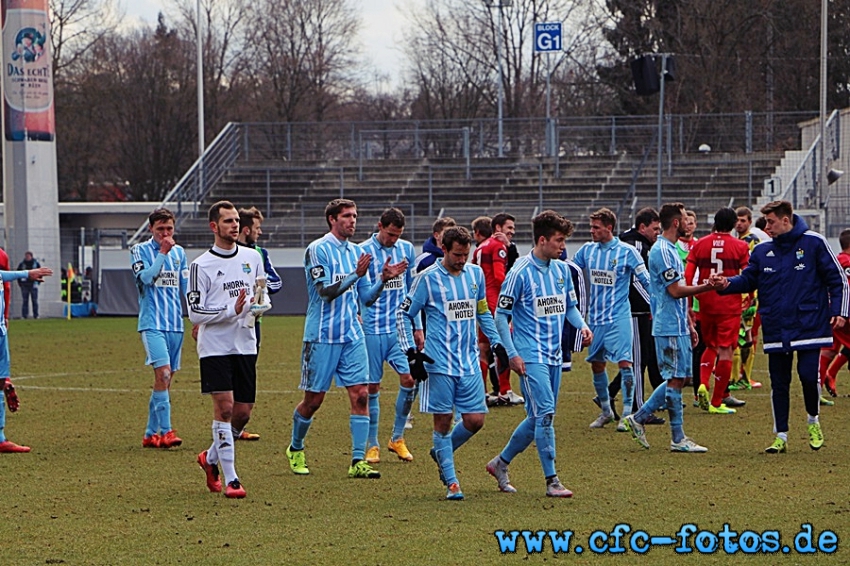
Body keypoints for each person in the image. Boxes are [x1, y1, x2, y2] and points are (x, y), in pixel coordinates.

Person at [286, 199, 407, 479]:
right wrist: (356, 274)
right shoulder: (318, 250)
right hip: (322, 336)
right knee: (314, 400)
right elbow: (325, 292)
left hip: (352, 334)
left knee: (361, 395)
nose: (352, 221)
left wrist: (383, 281)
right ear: (332, 219)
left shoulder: (357, 251)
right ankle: (296, 447)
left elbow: (365, 297)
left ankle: (357, 461)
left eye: (355, 215)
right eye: (346, 216)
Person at [716, 200, 849, 453]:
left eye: (771, 221)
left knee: (809, 377)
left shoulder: (814, 242)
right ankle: (781, 436)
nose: (767, 227)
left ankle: (813, 420)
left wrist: (839, 311)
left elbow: (838, 280)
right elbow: (748, 279)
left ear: (786, 220)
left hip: (809, 324)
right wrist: (726, 284)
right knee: (779, 382)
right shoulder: (763, 250)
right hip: (777, 326)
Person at [485, 211, 592, 497]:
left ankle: (500, 463)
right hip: (530, 356)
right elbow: (500, 316)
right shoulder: (519, 272)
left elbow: (569, 306)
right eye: (558, 240)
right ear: (542, 240)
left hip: (555, 354)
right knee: (544, 413)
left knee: (539, 417)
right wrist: (512, 353)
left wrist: (582, 326)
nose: (563, 246)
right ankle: (552, 481)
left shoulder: (561, 271)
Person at [397, 226, 508, 500]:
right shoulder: (427, 279)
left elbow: (481, 309)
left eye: (465, 254)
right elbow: (404, 314)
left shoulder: (475, 274)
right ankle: (451, 482)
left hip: (469, 361)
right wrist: (412, 352)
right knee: (443, 421)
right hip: (439, 363)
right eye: (457, 254)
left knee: (475, 420)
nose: (461, 260)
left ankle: (441, 452)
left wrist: (495, 342)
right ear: (444, 250)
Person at [189, 200, 269, 499]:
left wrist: (258, 307)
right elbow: (196, 312)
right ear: (214, 227)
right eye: (227, 221)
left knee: (243, 413)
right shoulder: (200, 265)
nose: (234, 225)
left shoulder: (252, 257)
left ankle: (209, 459)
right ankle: (232, 479)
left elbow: (258, 295)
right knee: (224, 409)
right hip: (215, 347)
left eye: (236, 220)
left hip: (245, 343)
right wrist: (230, 310)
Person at [624, 202, 716, 452]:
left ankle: (639, 418)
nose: (689, 223)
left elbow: (679, 291)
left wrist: (689, 321)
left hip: (677, 324)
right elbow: (674, 290)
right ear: (676, 223)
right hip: (667, 325)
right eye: (686, 218)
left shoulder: (672, 249)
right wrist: (707, 286)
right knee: (676, 378)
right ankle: (676, 437)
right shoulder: (662, 251)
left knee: (680, 377)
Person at [572, 208, 650, 430]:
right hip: (595, 319)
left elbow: (645, 280)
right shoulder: (587, 251)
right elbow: (571, 271)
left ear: (609, 227)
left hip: (619, 317)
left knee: (625, 362)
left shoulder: (627, 252)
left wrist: (656, 303)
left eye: (596, 227)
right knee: (597, 364)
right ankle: (606, 411)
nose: (592, 231)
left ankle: (627, 414)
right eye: (591, 227)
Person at [359, 208, 422, 464]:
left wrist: (417, 326)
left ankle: (397, 438)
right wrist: (382, 280)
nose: (393, 240)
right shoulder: (362, 251)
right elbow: (359, 290)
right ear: (379, 226)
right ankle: (372, 444)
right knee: (372, 386)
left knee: (410, 378)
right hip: (372, 327)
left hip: (400, 327)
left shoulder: (407, 250)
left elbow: (412, 291)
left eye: (397, 235)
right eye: (390, 234)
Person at [600, 207, 665, 425]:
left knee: (640, 358)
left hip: (633, 309)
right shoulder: (635, 245)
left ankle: (609, 393)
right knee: (637, 361)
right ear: (642, 227)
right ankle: (638, 410)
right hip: (635, 311)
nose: (657, 232)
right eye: (655, 228)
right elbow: (637, 280)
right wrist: (652, 304)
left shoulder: (631, 241)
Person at [130, 208, 188, 449]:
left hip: (176, 324)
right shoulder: (139, 250)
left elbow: (185, 287)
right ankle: (166, 432)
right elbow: (146, 278)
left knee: (165, 381)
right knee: (163, 374)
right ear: (151, 229)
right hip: (152, 323)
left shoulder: (180, 253)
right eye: (160, 229)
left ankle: (149, 433)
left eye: (169, 229)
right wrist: (162, 253)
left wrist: (197, 320)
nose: (165, 233)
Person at [684, 207, 750, 414]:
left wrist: (689, 302)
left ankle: (702, 383)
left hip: (705, 302)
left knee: (709, 346)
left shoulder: (700, 244)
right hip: (728, 304)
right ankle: (716, 401)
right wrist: (747, 296)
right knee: (726, 350)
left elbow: (688, 275)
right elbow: (748, 275)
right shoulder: (740, 246)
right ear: (732, 225)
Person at [234, 206, 283, 441]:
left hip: (254, 323)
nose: (260, 232)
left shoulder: (260, 254)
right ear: (246, 229)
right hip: (228, 322)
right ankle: (228, 423)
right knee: (229, 371)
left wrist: (260, 286)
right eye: (257, 228)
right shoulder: (228, 253)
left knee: (246, 370)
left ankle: (237, 425)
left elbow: (276, 281)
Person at [0, 263, 53, 452]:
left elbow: (2, 276)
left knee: (1, 380)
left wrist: (27, 274)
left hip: (1, 331)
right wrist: (26, 273)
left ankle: (0, 439)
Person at [472, 214, 523, 407]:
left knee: (484, 349)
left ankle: (482, 392)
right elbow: (501, 278)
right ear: (498, 227)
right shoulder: (498, 247)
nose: (512, 231)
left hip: (481, 304)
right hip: (495, 304)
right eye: (509, 228)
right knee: (503, 346)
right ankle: (505, 391)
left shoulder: (481, 246)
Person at [730, 207, 769, 390]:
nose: (739, 223)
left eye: (743, 221)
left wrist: (752, 296)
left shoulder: (751, 242)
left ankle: (743, 377)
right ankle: (739, 376)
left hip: (747, 295)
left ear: (750, 222)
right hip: (739, 293)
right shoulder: (739, 241)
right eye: (737, 220)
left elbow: (753, 270)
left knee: (744, 335)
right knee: (740, 335)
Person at [819, 229, 850, 402]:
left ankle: (818, 387)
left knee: (829, 351)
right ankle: (829, 375)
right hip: (843, 314)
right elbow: (848, 290)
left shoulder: (837, 260)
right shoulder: (846, 263)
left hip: (832, 311)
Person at [17, 251, 40, 319]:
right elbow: (18, 274)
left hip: (33, 284)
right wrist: (20, 283)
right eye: (26, 256)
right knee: (25, 300)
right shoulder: (22, 264)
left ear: (31, 256)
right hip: (24, 285)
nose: (27, 257)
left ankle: (36, 315)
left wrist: (38, 282)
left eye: (28, 256)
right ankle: (24, 315)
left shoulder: (36, 264)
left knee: (34, 300)